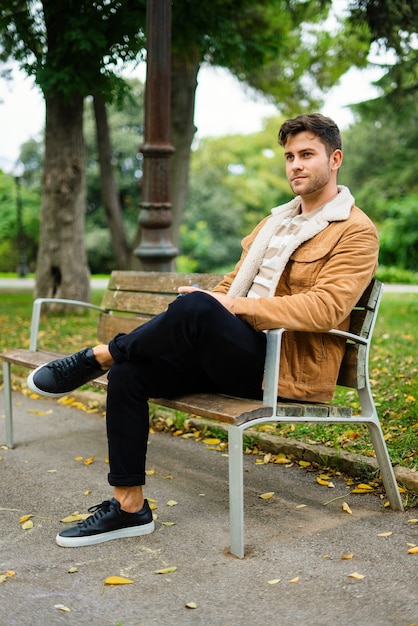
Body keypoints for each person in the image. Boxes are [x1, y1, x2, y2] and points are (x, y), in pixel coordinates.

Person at [27, 113, 379, 548]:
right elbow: (232, 285)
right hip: (236, 353)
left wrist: (223, 306)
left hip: (281, 367)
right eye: (289, 156)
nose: (295, 165)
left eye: (307, 154)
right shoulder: (274, 223)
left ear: (335, 158)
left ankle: (97, 356)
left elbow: (326, 308)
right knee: (130, 372)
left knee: (192, 310)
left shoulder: (355, 231)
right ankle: (129, 507)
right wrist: (213, 299)